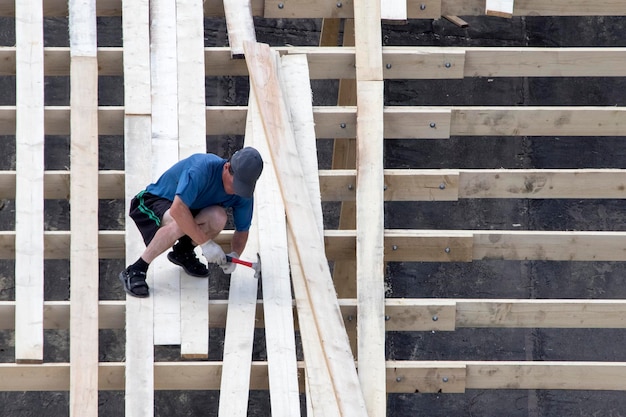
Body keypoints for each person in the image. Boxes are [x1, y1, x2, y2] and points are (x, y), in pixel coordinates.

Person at [119, 147, 264, 298]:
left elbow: (242, 230)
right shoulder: (202, 169)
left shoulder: (243, 194)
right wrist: (206, 243)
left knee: (218, 217)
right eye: (236, 185)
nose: (237, 191)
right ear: (227, 168)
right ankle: (136, 269)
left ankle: (183, 253)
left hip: (190, 208)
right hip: (156, 201)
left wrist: (235, 255)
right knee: (179, 221)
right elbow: (178, 210)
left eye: (243, 187)